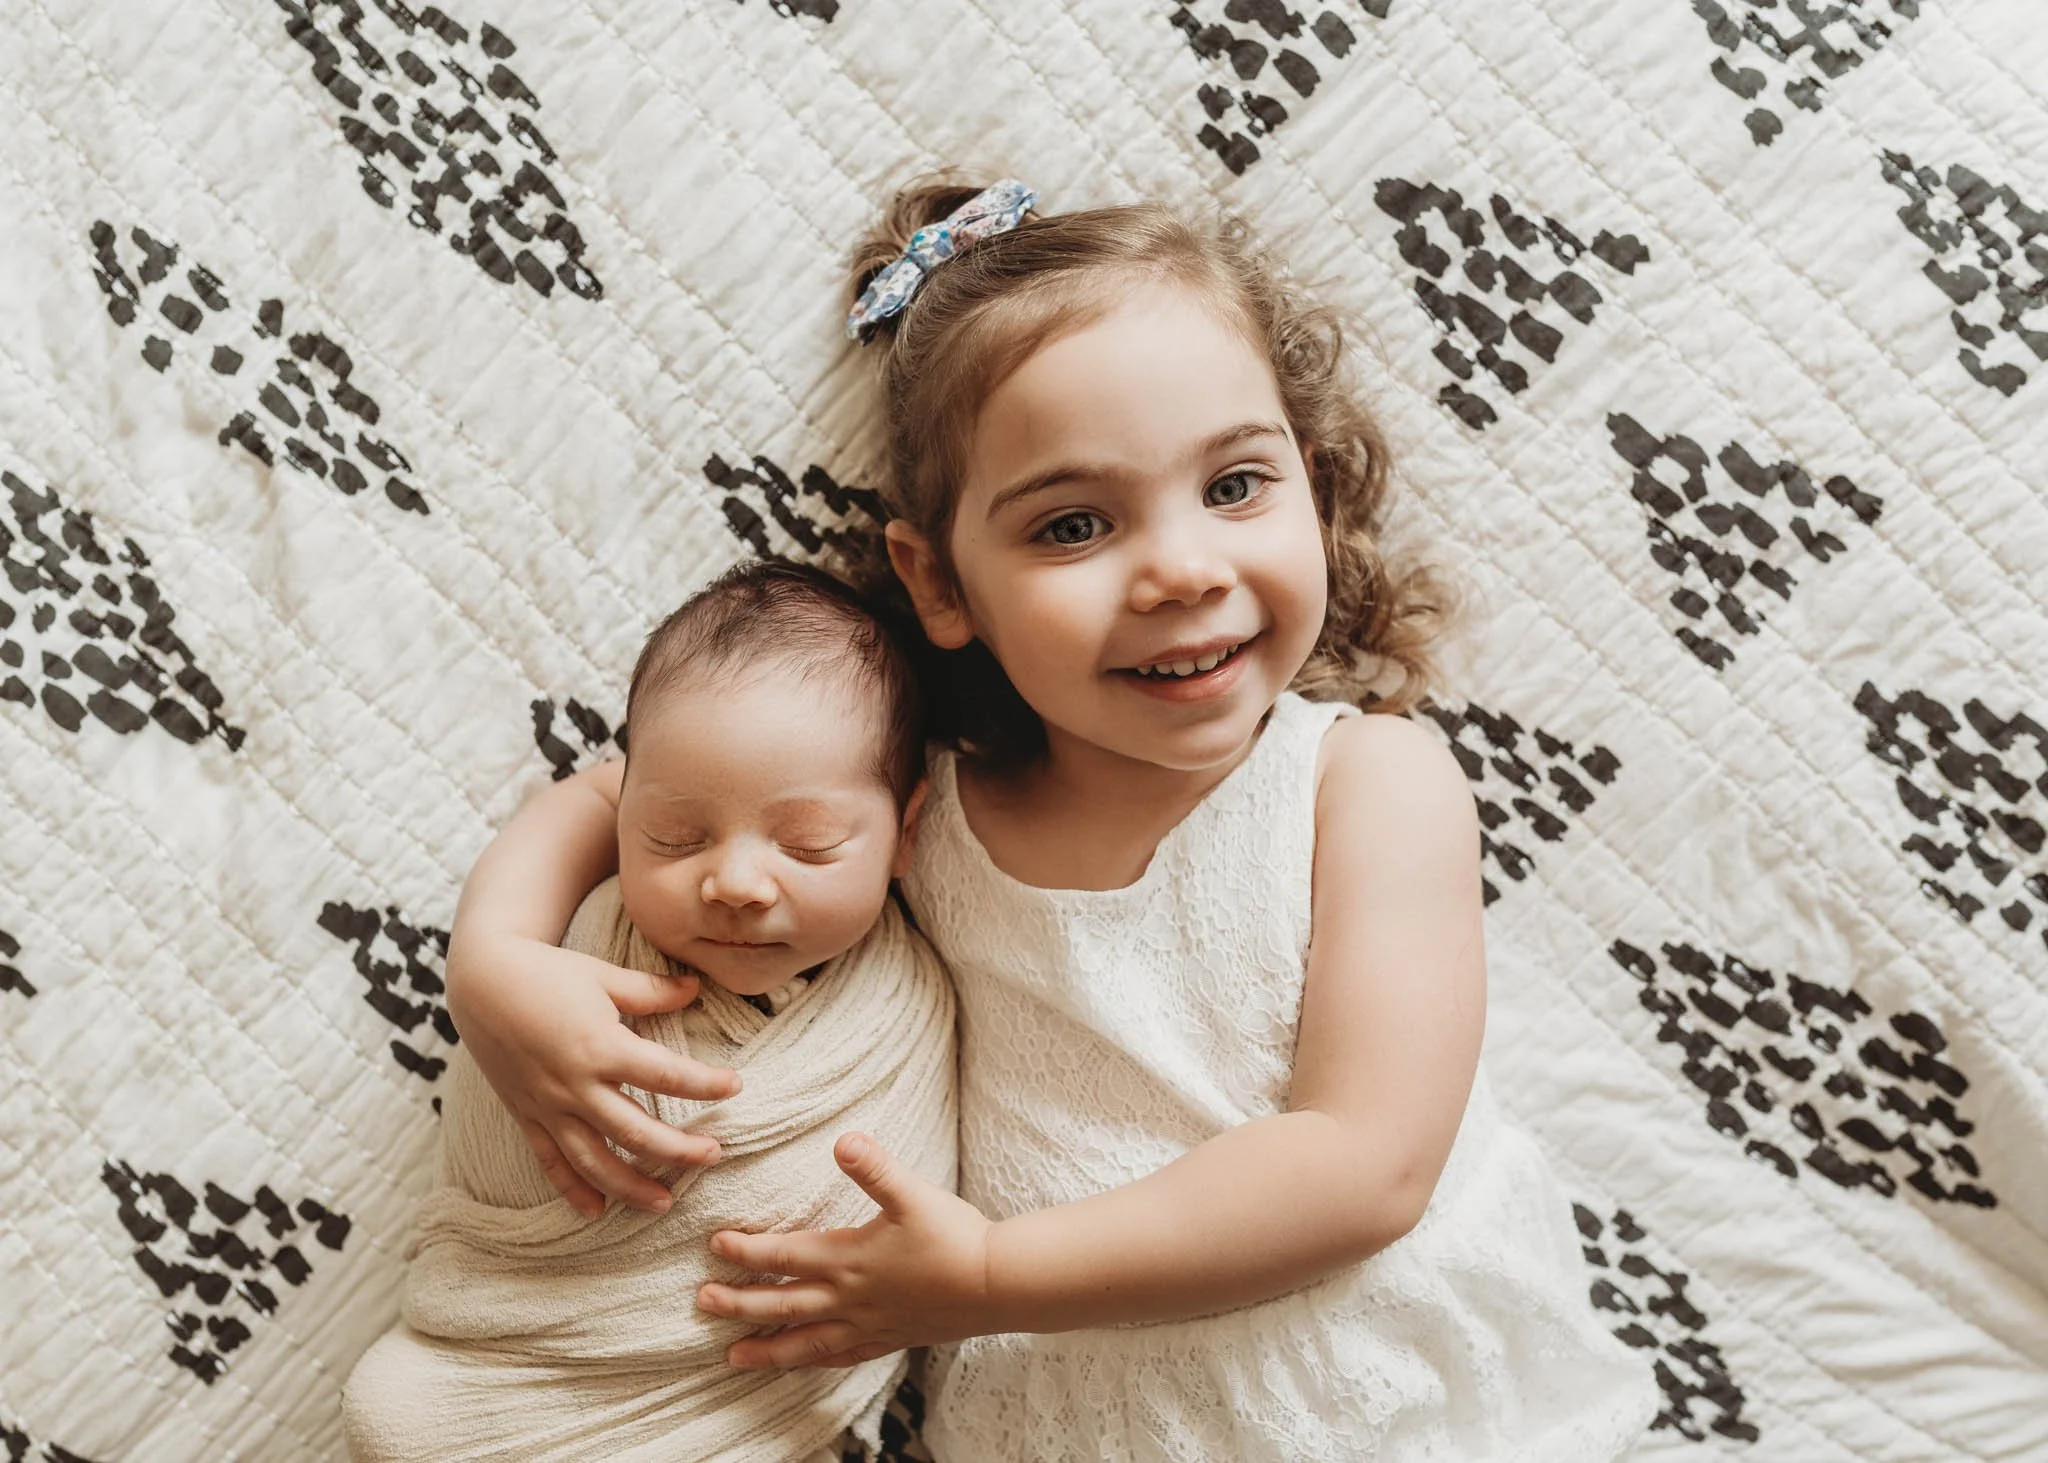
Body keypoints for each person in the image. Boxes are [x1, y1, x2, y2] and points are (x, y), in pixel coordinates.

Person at [443, 178, 1658, 1460]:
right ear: (939, 581)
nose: (1183, 568)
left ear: (1312, 480)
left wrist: (983, 1278)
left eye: (1236, 484)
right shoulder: (922, 813)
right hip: (1080, 1423)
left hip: (1392, 1398)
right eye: (1074, 524)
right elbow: (612, 790)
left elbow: (1363, 1164)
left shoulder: (1366, 784)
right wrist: (496, 964)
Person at [342, 559, 955, 1463]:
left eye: (808, 844)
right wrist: (492, 959)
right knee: (403, 1409)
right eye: (674, 836)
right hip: (497, 1358)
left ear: (905, 832)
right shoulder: (579, 935)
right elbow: (583, 798)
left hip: (728, 1408)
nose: (737, 883)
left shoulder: (903, 1014)